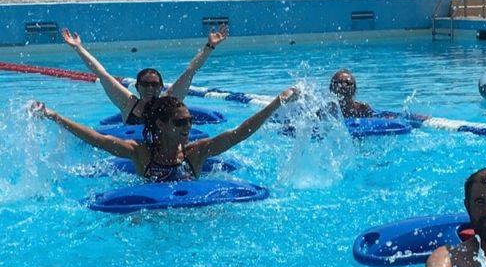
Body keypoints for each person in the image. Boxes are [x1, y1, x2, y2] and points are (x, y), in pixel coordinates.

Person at [30, 88, 297, 181]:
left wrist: (277, 103)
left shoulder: (197, 151)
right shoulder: (141, 153)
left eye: (190, 121)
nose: (187, 128)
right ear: (161, 124)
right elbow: (96, 139)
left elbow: (240, 133)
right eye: (181, 122)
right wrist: (54, 116)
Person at [60, 25, 229, 125]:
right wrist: (78, 47)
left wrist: (210, 46)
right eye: (145, 84)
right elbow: (101, 73)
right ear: (137, 87)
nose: (150, 88)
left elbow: (191, 70)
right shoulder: (127, 103)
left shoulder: (169, 101)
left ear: (161, 87)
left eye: (154, 85)